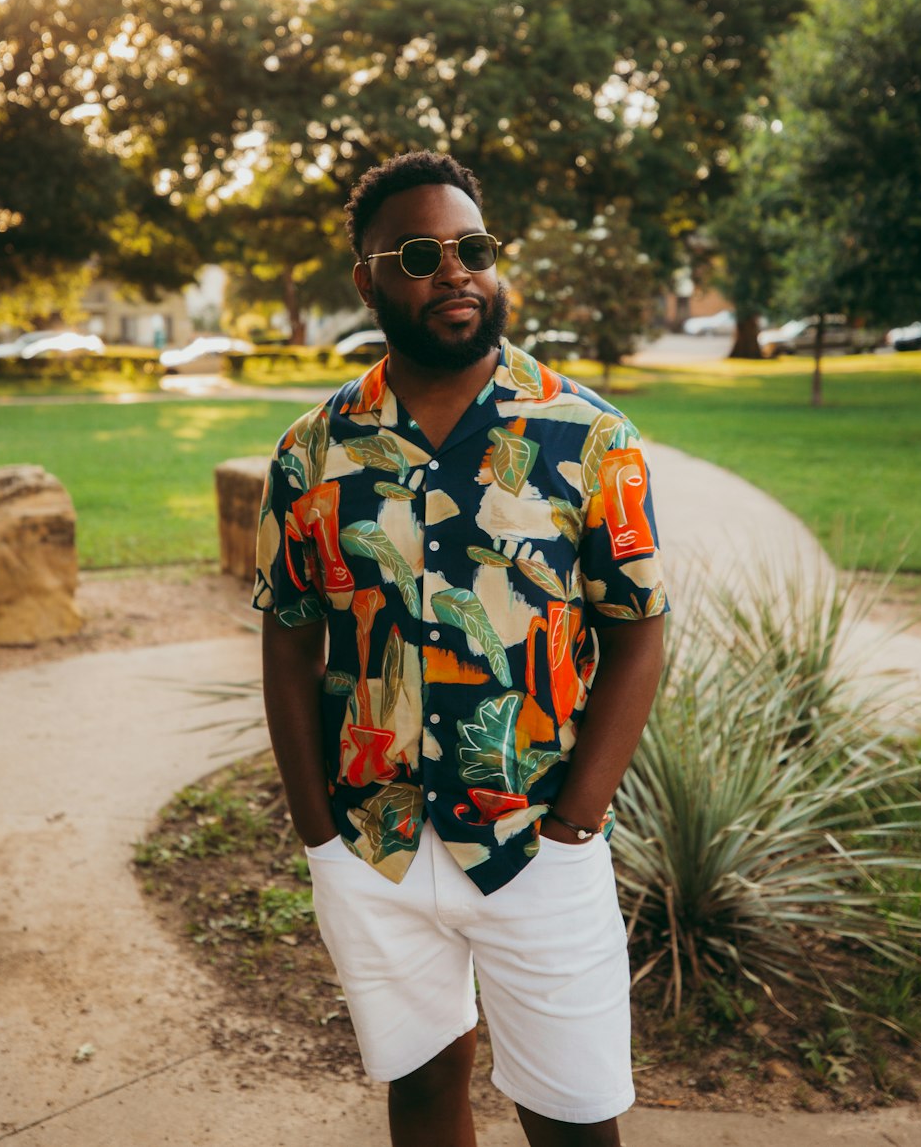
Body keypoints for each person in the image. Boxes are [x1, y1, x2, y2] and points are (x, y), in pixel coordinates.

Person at [253, 151, 668, 1147]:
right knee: (424, 1091)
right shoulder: (313, 451)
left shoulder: (586, 434)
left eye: (474, 249)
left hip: (537, 839)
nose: (455, 272)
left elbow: (638, 627)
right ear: (367, 278)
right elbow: (287, 634)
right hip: (374, 844)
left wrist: (578, 819)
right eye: (420, 253)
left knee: (574, 1120)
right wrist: (318, 831)